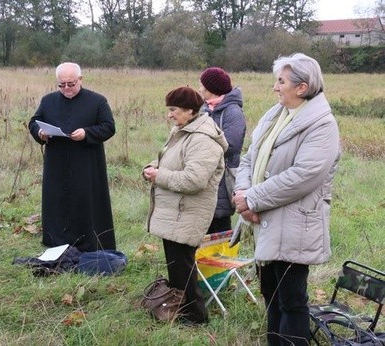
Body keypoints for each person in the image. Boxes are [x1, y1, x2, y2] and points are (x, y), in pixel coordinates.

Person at [231, 53, 341, 345]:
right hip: (263, 221)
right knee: (272, 297)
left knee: (292, 302)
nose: (275, 87)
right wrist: (243, 195)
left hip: (295, 226)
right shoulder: (274, 115)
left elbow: (303, 175)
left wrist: (252, 199)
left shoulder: (322, 125)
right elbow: (248, 160)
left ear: (301, 88)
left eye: (281, 81)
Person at [143, 86, 228, 325]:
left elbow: (194, 180)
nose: (169, 115)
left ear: (190, 111)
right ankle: (179, 311)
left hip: (187, 212)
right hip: (175, 211)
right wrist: (151, 168)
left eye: (173, 110)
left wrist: (158, 176)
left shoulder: (203, 140)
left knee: (183, 268)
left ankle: (195, 317)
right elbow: (168, 160)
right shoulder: (182, 131)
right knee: (177, 266)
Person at [28, 62, 116, 252]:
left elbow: (109, 127)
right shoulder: (48, 100)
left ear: (80, 79)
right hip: (56, 163)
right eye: (62, 85)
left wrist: (86, 133)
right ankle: (56, 241)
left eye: (71, 83)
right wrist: (41, 133)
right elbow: (33, 122)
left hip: (86, 163)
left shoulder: (97, 101)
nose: (66, 88)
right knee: (57, 200)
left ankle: (88, 243)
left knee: (85, 200)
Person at [199, 67, 246, 233]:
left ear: (212, 89)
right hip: (205, 174)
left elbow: (232, 144)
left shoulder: (233, 112)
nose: (200, 89)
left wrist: (201, 147)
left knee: (219, 224)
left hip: (223, 178)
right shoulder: (204, 110)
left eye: (203, 86)